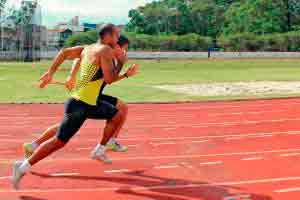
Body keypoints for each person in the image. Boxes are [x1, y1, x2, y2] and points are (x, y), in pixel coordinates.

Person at [11, 24, 139, 189]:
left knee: (117, 114)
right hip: (80, 104)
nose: (118, 39)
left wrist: (51, 72)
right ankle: (22, 166)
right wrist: (122, 65)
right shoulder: (105, 51)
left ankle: (101, 148)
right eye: (117, 35)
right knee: (59, 141)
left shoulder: (89, 48)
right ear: (109, 36)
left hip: (89, 102)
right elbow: (109, 79)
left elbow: (65, 52)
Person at [22, 35, 131, 158]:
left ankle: (33, 145)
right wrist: (71, 76)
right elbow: (78, 58)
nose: (125, 52)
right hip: (87, 96)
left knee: (67, 125)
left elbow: (109, 78)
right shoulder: (102, 53)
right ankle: (108, 144)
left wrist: (125, 74)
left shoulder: (110, 58)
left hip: (94, 95)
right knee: (119, 110)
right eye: (125, 49)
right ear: (116, 46)